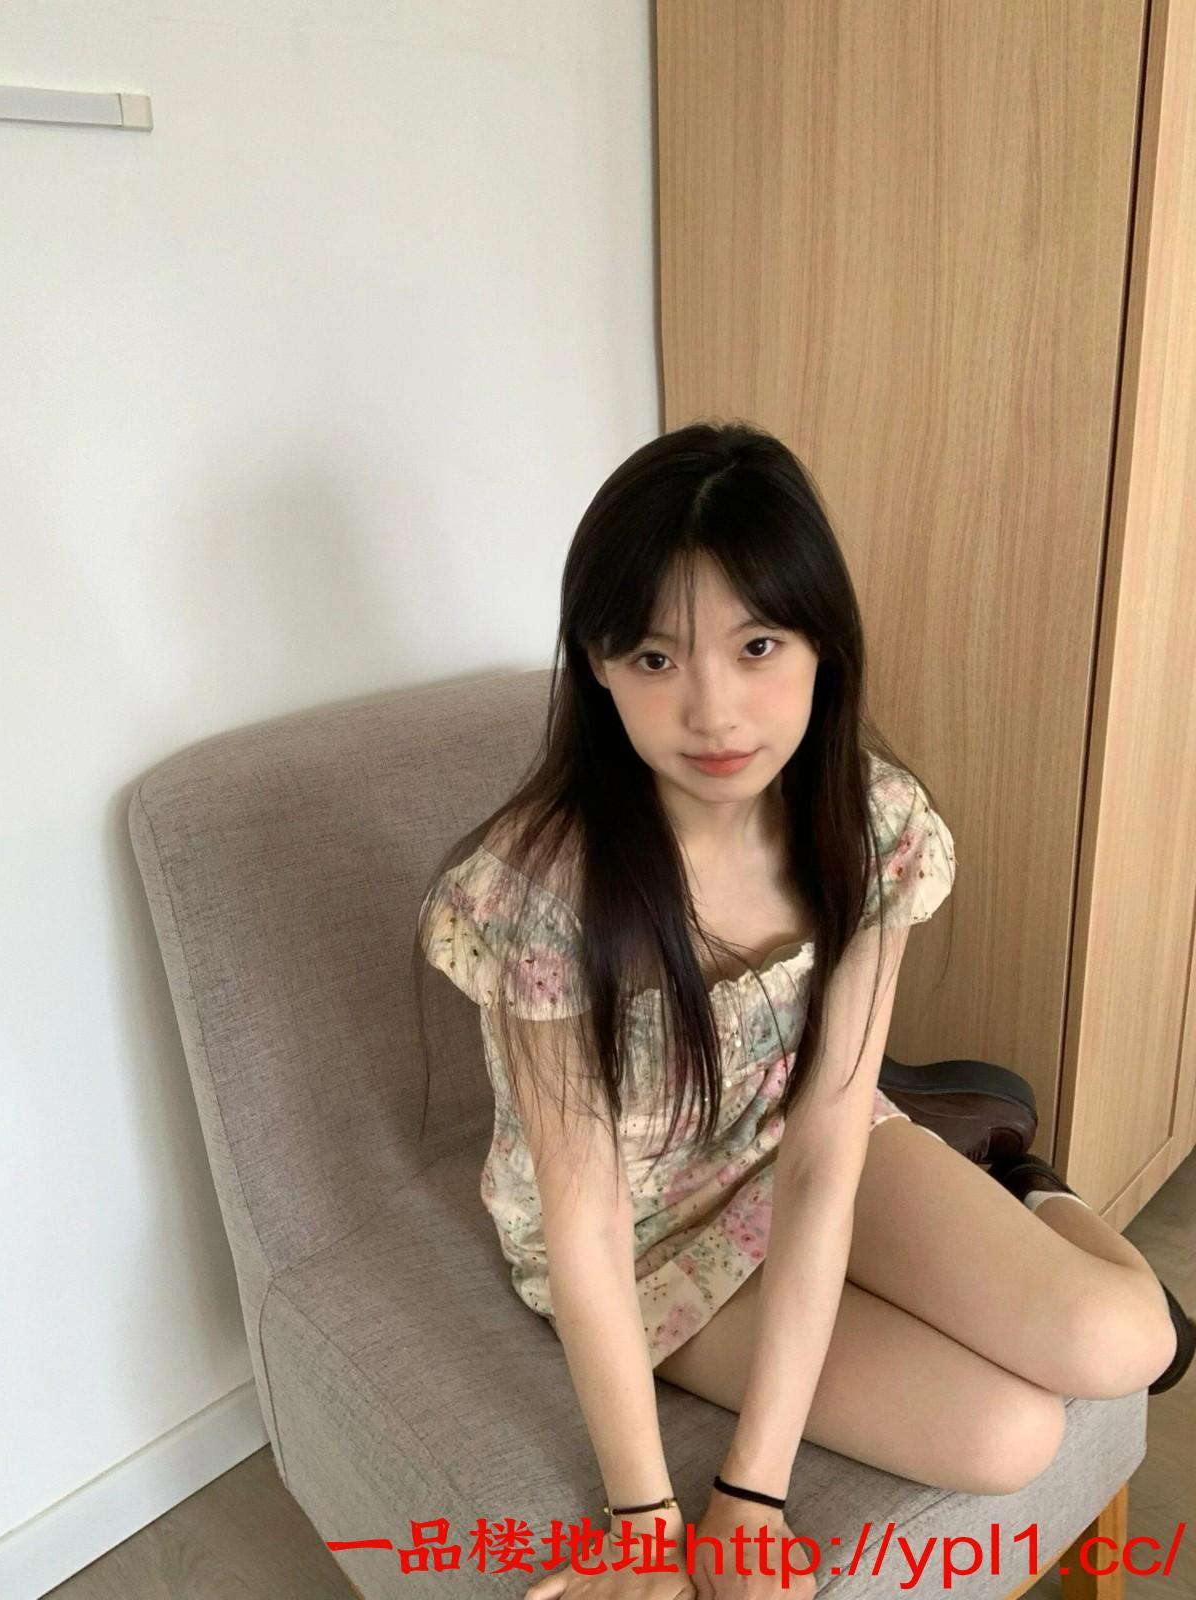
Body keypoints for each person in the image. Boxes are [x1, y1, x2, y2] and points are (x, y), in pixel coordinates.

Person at [414, 421, 1191, 1600]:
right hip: (654, 1234)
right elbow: (586, 1221)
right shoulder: (538, 896)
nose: (715, 711)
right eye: (657, 657)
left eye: (758, 645)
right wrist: (650, 1522)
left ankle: (1023, 1179)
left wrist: (757, 1486)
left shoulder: (871, 824)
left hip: (815, 1137)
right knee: (1008, 1436)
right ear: (599, 665)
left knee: (1127, 1339)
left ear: (823, 641)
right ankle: (977, 1165)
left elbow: (825, 1155)